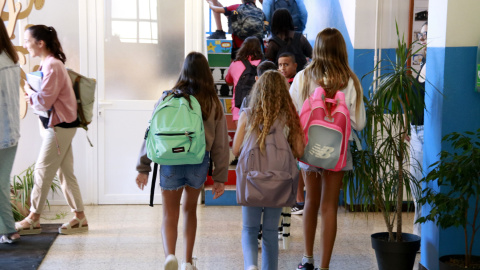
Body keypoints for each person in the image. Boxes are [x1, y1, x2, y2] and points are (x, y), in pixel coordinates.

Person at [136, 52, 229, 270]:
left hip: (169, 161)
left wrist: (143, 167)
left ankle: (170, 256)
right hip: (198, 161)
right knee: (190, 210)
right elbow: (221, 144)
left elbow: (150, 133)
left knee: (170, 212)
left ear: (183, 70)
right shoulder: (212, 102)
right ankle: (188, 261)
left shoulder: (167, 97)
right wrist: (220, 177)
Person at [289, 28, 366, 270]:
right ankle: (324, 266)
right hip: (338, 152)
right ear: (342, 50)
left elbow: (293, 113)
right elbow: (359, 123)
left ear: (317, 49)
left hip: (310, 149)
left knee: (311, 201)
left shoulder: (303, 77)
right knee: (330, 206)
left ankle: (307, 259)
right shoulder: (350, 81)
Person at [16, 25, 88, 235]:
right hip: (59, 125)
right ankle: (80, 218)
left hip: (59, 126)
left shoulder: (53, 66)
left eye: (27, 40)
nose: (24, 44)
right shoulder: (48, 64)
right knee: (65, 172)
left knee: (42, 169)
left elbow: (45, 101)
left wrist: (28, 91)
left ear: (41, 43)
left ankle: (33, 218)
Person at [233, 70, 305, 270]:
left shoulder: (248, 114)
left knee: (249, 228)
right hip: (279, 180)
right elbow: (299, 150)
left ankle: (250, 266)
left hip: (252, 179)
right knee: (272, 231)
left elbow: (236, 149)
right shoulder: (290, 118)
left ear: (259, 90)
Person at [0, 17, 21, 244]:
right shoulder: (11, 58)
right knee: (2, 182)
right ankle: (9, 230)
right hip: (11, 131)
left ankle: (8, 229)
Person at [277, 52, 305, 215]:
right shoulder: (279, 83)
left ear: (295, 65)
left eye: (286, 64)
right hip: (285, 128)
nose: (282, 68)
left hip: (296, 127)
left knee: (297, 165)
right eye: (280, 65)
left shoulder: (298, 82)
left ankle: (299, 200)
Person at [409, 21, 427, 238]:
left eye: (426, 35)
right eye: (421, 35)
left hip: (425, 131)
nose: (422, 39)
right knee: (416, 188)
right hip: (415, 129)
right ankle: (418, 233)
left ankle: (421, 234)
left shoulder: (436, 62)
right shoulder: (423, 63)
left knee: (423, 187)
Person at [225, 36, 264, 126]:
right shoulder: (264, 64)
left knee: (241, 138)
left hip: (239, 108)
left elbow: (228, 81)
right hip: (260, 108)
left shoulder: (235, 64)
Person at [265, 8, 312, 72]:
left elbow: (268, 65)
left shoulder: (273, 43)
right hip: (301, 76)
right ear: (290, 20)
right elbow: (312, 55)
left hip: (282, 78)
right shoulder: (300, 37)